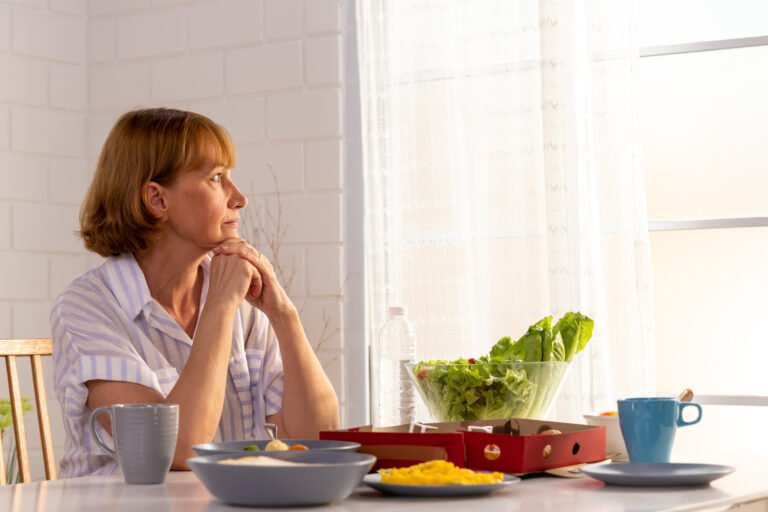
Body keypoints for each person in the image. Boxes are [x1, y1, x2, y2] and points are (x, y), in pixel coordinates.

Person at [50, 108, 340, 477]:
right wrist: (219, 307)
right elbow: (176, 451)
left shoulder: (244, 303)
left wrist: (284, 315)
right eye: (217, 178)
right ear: (158, 200)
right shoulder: (88, 306)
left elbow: (318, 439)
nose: (239, 198)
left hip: (222, 502)